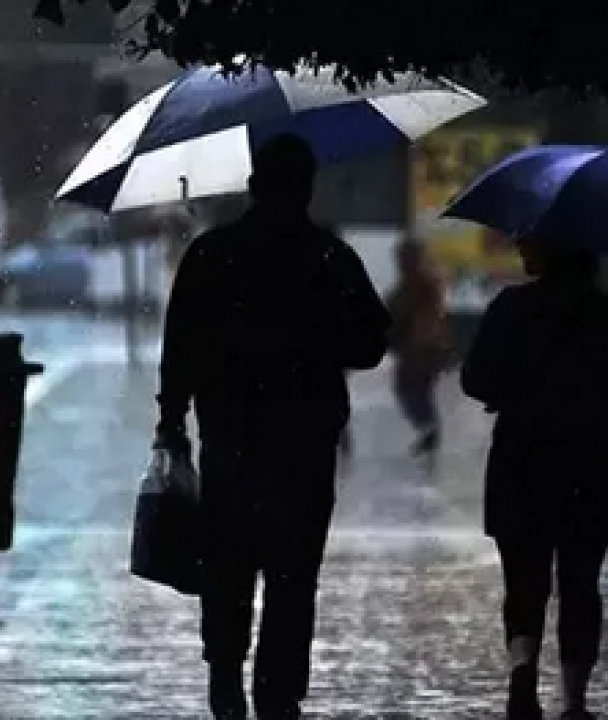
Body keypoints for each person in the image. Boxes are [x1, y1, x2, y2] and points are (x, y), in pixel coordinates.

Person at [152, 134, 391, 720]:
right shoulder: (328, 257)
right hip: (304, 447)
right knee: (293, 576)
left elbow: (179, 346)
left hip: (230, 441)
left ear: (254, 186)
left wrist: (171, 418)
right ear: (307, 188)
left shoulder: (212, 254)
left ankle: (225, 676)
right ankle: (278, 693)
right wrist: (318, 340)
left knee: (227, 565)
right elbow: (370, 342)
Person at [460, 239, 608, 720]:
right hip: (588, 458)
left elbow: (474, 379)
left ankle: (522, 670)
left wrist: (514, 390)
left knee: (523, 578)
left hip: (520, 455)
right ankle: (574, 702)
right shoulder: (606, 313)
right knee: (581, 582)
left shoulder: (510, 308)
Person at [384, 237, 449, 461]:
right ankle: (429, 430)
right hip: (419, 349)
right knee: (414, 391)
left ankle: (429, 429)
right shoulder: (413, 284)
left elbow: (419, 317)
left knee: (411, 389)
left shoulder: (421, 284)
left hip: (420, 349)